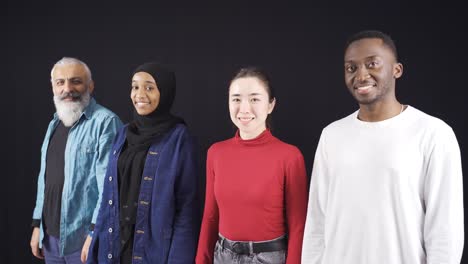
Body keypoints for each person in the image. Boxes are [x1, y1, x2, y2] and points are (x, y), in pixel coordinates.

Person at [302, 30, 464, 263]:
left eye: (372, 64)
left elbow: (445, 229)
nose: (361, 75)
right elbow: (317, 222)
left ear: (397, 70)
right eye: (352, 68)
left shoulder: (433, 133)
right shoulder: (331, 135)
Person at [87, 62, 200, 263]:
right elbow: (108, 195)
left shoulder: (179, 137)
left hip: (153, 252)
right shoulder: (124, 133)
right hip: (113, 247)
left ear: (164, 92)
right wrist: (94, 239)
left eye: (149, 87)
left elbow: (186, 208)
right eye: (135, 86)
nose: (139, 94)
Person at [196, 67, 308, 264]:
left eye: (255, 99)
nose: (244, 109)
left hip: (269, 258)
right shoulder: (216, 153)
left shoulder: (290, 156)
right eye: (236, 99)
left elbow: (298, 225)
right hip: (223, 257)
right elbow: (210, 217)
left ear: (271, 104)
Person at [30, 57, 122, 263]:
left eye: (76, 81)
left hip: (82, 241)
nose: (67, 88)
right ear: (53, 87)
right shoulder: (54, 124)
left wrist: (94, 234)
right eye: (60, 82)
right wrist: (37, 225)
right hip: (50, 240)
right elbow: (44, 180)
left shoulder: (106, 123)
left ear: (90, 85)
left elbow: (110, 187)